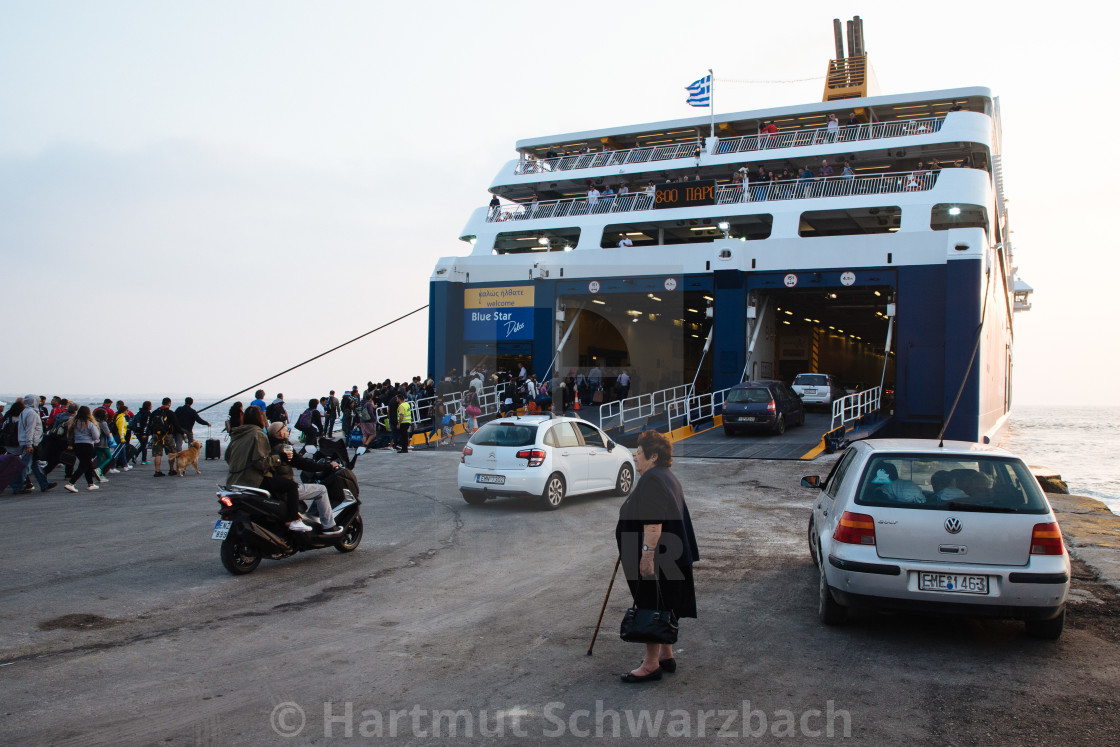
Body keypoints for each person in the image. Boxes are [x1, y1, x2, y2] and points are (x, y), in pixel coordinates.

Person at [615, 430, 699, 683]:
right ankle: (666, 654)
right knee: (665, 602)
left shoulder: (652, 480)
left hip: (659, 555)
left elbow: (653, 524)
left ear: (653, 456)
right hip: (671, 554)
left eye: (639, 453)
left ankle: (651, 665)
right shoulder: (666, 476)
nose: (634, 456)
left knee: (651, 603)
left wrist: (646, 556)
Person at [225, 406, 310, 532]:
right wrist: (279, 458)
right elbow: (261, 463)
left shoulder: (237, 434)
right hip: (253, 480)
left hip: (233, 480)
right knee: (291, 486)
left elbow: (228, 457)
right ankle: (294, 520)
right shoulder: (258, 435)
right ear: (260, 419)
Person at [266, 422, 342, 535]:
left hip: (273, 486)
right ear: (280, 433)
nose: (288, 432)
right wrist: (327, 466)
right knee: (321, 490)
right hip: (286, 489)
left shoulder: (267, 447)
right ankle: (329, 526)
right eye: (286, 430)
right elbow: (303, 463)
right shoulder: (285, 448)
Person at [8, 395, 57, 494]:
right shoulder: (32, 414)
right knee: (26, 465)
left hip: (26, 441)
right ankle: (17, 486)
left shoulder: (24, 412)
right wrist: (29, 444)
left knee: (35, 464)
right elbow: (30, 429)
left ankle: (44, 484)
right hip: (31, 443)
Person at [64, 406, 101, 492]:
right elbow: (96, 436)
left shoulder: (74, 423)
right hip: (87, 445)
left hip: (77, 445)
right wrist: (95, 439)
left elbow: (69, 435)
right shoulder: (90, 424)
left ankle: (90, 483)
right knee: (84, 465)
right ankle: (71, 483)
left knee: (87, 464)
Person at [149, 397, 186, 477]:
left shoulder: (154, 412)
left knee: (157, 454)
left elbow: (150, 424)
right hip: (167, 435)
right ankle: (171, 470)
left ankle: (157, 471)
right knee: (171, 453)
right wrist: (182, 433)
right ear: (169, 403)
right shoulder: (170, 413)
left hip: (156, 435)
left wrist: (151, 434)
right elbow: (176, 424)